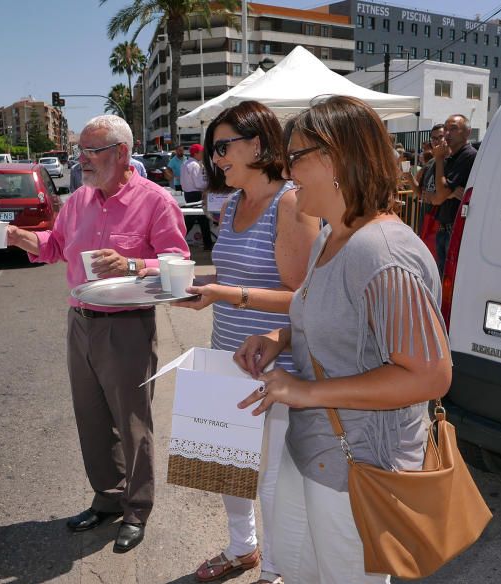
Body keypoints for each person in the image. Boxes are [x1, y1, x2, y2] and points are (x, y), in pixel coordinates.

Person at [234, 95, 452, 584]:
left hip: (361, 469)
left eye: (295, 159)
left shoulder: (383, 252)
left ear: (334, 158)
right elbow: (338, 320)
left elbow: (431, 375)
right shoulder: (331, 237)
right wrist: (279, 337)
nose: (287, 173)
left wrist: (307, 392)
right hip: (315, 451)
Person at [2, 114, 189, 554]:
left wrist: (130, 264)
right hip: (81, 323)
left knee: (132, 424)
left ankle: (136, 509)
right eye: (80, 151)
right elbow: (56, 247)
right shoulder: (78, 200)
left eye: (91, 151)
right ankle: (107, 498)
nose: (81, 159)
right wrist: (20, 237)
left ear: (122, 153)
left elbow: (179, 264)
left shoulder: (155, 201)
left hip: (127, 327)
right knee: (90, 419)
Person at [179, 101, 320, 584]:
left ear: (258, 145)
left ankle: (275, 571)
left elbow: (303, 299)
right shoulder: (235, 202)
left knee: (275, 482)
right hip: (227, 353)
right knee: (227, 467)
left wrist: (228, 294)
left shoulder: (293, 203)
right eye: (213, 150)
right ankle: (243, 549)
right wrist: (197, 285)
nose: (215, 159)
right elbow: (237, 274)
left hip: (276, 364)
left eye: (223, 147)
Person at [427, 115, 476, 277]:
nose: (447, 133)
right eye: (446, 129)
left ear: (467, 133)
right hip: (443, 228)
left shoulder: (468, 155)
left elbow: (439, 195)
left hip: (455, 231)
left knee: (450, 281)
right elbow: (433, 196)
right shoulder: (450, 159)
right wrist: (447, 193)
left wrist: (439, 159)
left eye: (453, 128)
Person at [181, 143, 214, 250]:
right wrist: (209, 185)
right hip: (196, 194)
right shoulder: (194, 165)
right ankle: (178, 240)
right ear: (196, 153)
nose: (203, 154)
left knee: (201, 219)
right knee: (194, 220)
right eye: (201, 152)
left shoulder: (186, 163)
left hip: (189, 194)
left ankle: (208, 244)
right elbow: (198, 184)